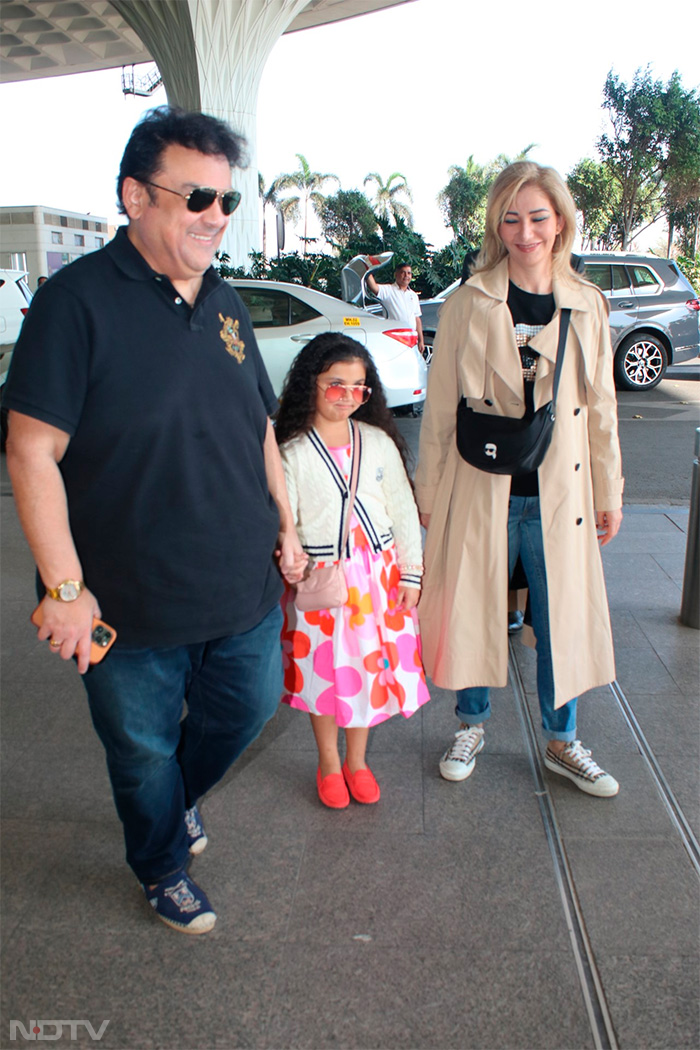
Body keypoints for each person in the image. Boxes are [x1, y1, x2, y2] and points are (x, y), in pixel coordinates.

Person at [3, 106, 304, 935]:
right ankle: (161, 862)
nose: (215, 218)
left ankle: (176, 805)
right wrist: (65, 588)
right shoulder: (76, 304)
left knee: (245, 713)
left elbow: (259, 429)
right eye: (196, 197)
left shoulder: (227, 302)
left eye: (227, 203)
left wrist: (285, 524)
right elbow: (31, 453)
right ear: (135, 197)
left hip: (239, 583)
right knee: (140, 752)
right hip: (124, 602)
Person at [415, 161, 624, 798]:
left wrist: (608, 491)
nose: (525, 231)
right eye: (511, 218)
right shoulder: (469, 301)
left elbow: (603, 408)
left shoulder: (586, 304)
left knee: (561, 618)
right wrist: (429, 491)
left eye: (537, 216)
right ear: (496, 226)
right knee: (475, 605)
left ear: (560, 221)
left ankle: (563, 741)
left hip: (561, 493)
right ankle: (471, 725)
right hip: (481, 487)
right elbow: (441, 403)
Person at [275, 332, 429, 808]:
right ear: (311, 385)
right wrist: (291, 553)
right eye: (335, 385)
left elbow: (402, 508)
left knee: (366, 671)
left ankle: (357, 762)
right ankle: (327, 763)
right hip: (323, 583)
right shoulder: (294, 450)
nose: (347, 396)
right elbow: (288, 517)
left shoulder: (377, 441)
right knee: (324, 674)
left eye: (359, 387)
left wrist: (411, 572)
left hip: (378, 580)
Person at [366, 261, 425, 358]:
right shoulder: (389, 290)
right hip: (394, 339)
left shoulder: (413, 295)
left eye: (409, 273)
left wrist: (421, 341)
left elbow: (417, 318)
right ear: (396, 274)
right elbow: (374, 287)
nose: (406, 275)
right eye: (403, 272)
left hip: (411, 339)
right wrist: (367, 269)